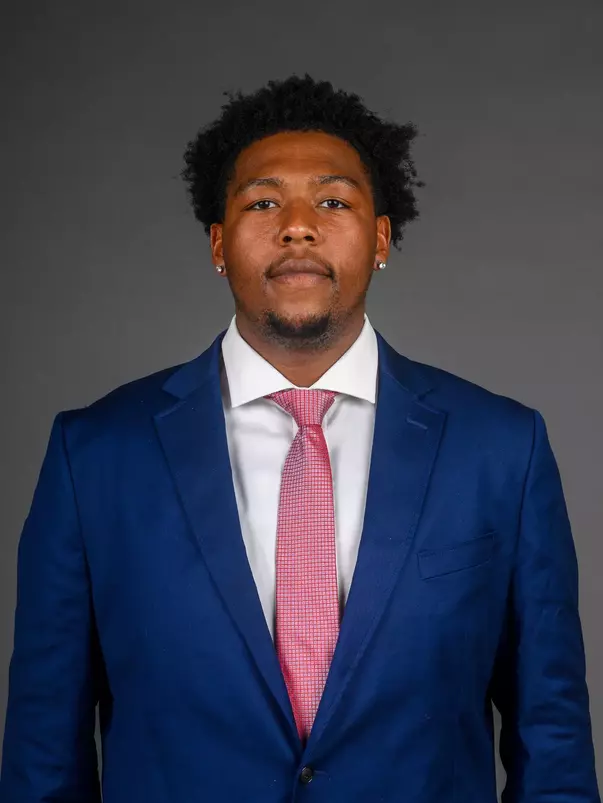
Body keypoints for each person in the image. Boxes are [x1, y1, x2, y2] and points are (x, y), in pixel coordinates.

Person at [0, 73, 599, 803]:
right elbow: (42, 754)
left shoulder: (502, 449)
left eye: (333, 200)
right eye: (262, 201)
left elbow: (555, 744)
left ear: (380, 237)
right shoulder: (93, 455)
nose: (297, 224)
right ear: (218, 243)